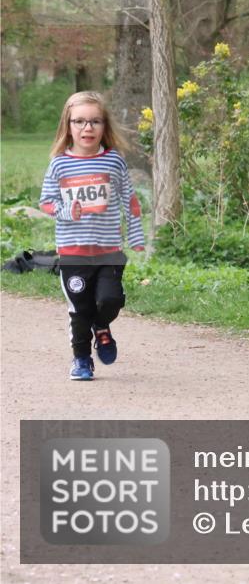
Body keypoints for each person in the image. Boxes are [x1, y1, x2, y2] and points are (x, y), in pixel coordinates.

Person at [39, 91, 145, 380]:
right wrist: (65, 212)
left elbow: (130, 200)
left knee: (110, 300)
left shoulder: (113, 161)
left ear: (104, 126)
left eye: (95, 121)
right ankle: (82, 359)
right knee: (80, 309)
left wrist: (136, 236)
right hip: (73, 252)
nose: (88, 128)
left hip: (109, 250)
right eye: (80, 121)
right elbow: (46, 202)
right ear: (68, 125)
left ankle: (102, 325)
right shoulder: (59, 163)